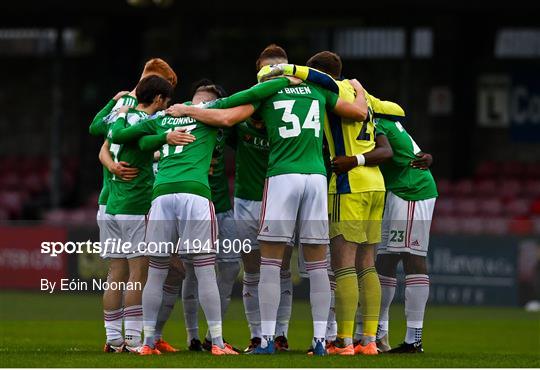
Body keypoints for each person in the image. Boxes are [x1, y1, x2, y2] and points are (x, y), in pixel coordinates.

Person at [165, 43, 368, 356]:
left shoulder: (265, 92)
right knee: (317, 266)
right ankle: (319, 342)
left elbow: (225, 115)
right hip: (315, 178)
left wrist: (186, 110)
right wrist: (359, 87)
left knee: (269, 264)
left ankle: (267, 339)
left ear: (265, 71)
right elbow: (359, 112)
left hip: (282, 178)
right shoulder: (317, 89)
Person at [89, 58, 179, 353]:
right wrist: (165, 136)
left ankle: (113, 339)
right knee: (138, 273)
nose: (167, 105)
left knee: (116, 272)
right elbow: (139, 141)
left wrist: (115, 112)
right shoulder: (146, 121)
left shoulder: (121, 113)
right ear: (158, 98)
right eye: (166, 99)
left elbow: (103, 137)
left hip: (110, 202)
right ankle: (134, 340)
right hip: (133, 205)